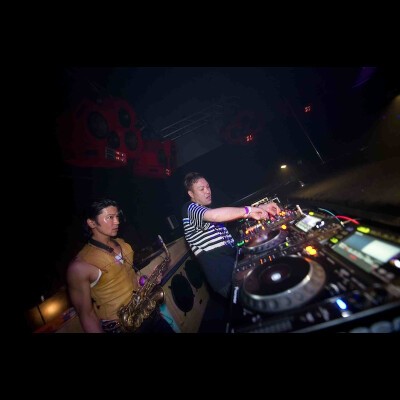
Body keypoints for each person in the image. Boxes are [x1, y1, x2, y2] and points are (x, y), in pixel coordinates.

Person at [67, 198, 174, 333]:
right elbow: (86, 315)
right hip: (122, 327)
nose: (117, 221)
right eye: (110, 217)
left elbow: (129, 277)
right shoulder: (80, 266)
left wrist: (147, 280)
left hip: (148, 314)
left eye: (117, 216)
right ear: (92, 223)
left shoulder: (123, 244)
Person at [182, 172, 281, 299]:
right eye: (202, 189)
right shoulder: (189, 208)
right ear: (191, 194)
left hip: (236, 271)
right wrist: (249, 210)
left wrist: (261, 208)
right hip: (225, 279)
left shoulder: (206, 211)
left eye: (208, 187)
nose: (207, 191)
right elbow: (216, 215)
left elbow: (227, 223)